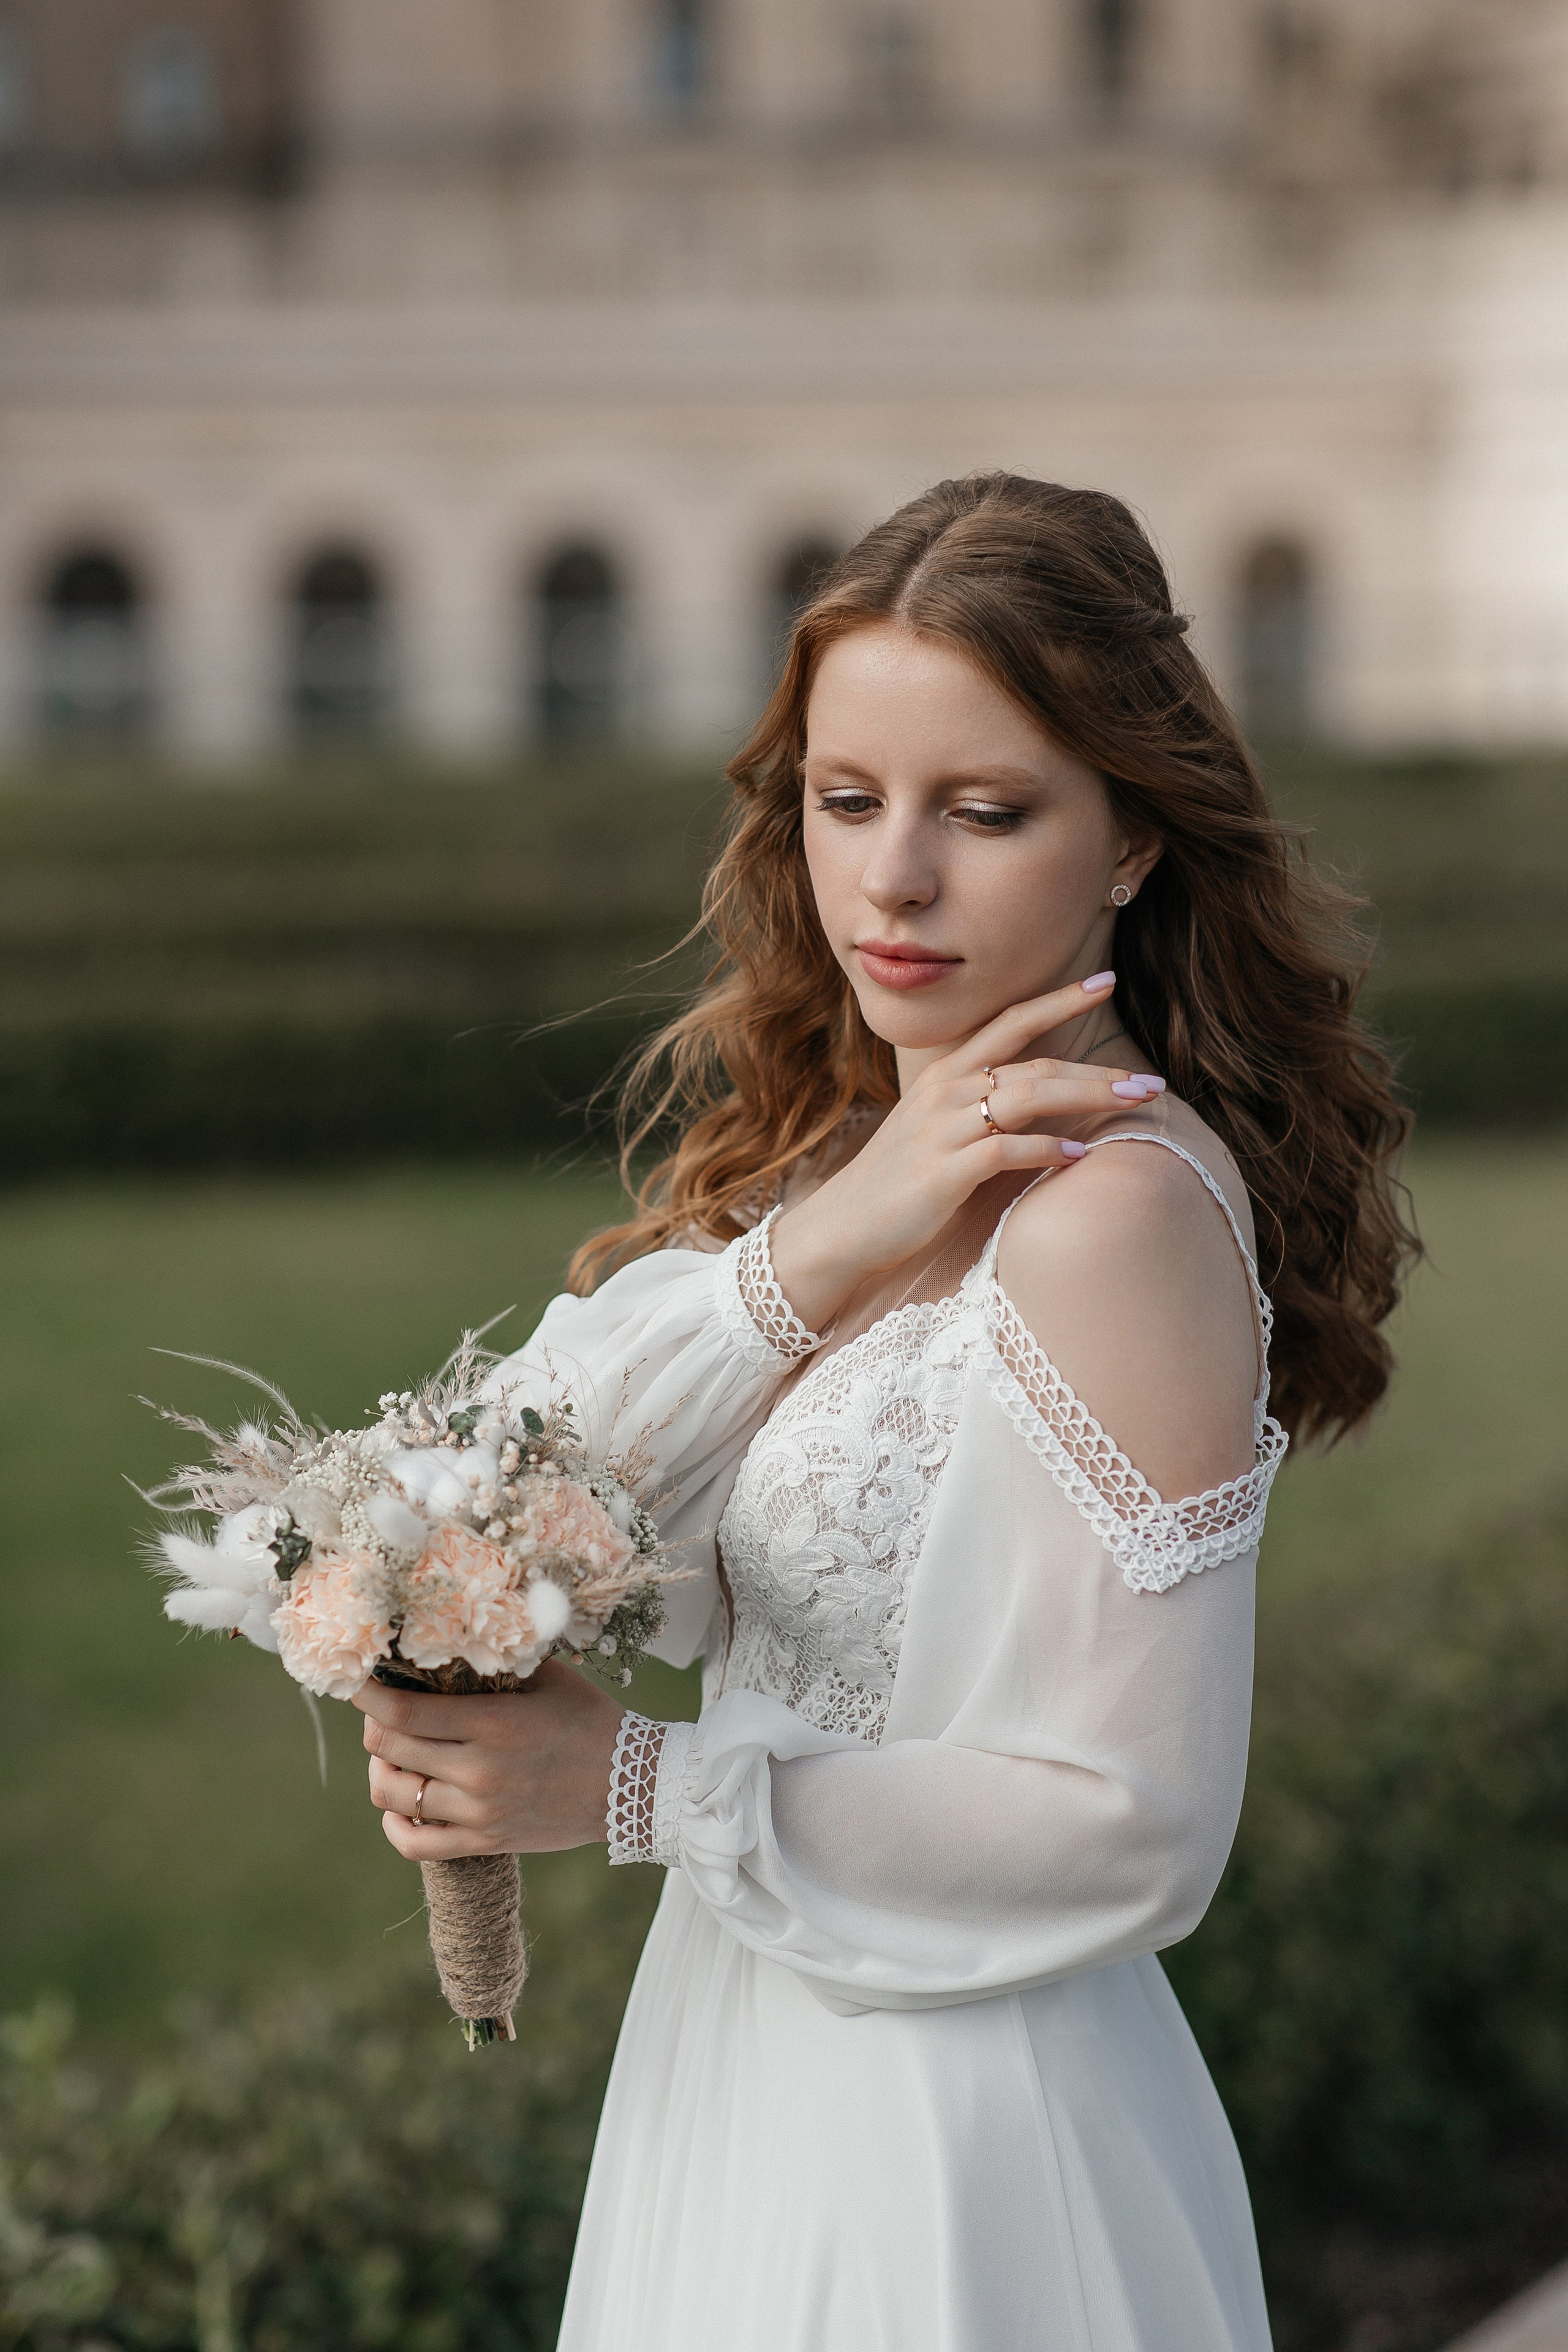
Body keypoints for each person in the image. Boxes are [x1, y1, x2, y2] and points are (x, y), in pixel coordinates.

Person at [353, 475, 1417, 2351]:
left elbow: (1139, 1824)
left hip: (959, 2131)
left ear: (1134, 838)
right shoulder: (864, 1164)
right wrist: (826, 1241)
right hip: (748, 2055)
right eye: (847, 800)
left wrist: (635, 1783)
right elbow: (478, 1487)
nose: (893, 879)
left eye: (985, 811)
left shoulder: (1111, 1219)